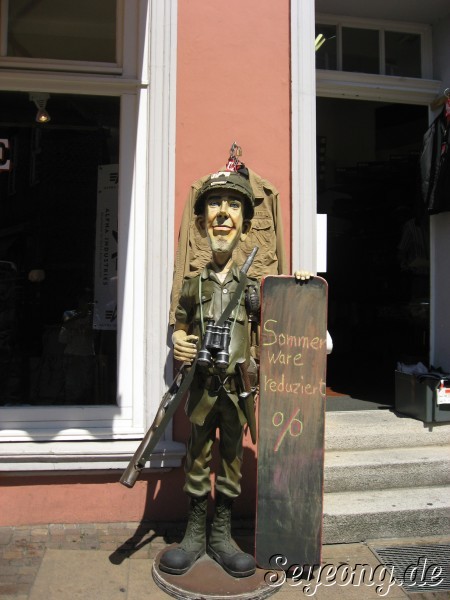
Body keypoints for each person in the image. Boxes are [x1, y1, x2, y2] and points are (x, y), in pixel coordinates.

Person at [159, 169, 259, 578]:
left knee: (232, 460)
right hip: (201, 388)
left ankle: (222, 535)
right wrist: (178, 340)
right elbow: (180, 324)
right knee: (198, 458)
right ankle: (195, 533)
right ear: (201, 224)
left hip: (237, 391)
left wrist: (301, 284)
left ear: (245, 226)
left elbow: (275, 328)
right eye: (214, 205)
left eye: (233, 206)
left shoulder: (253, 288)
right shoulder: (192, 285)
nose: (222, 214)